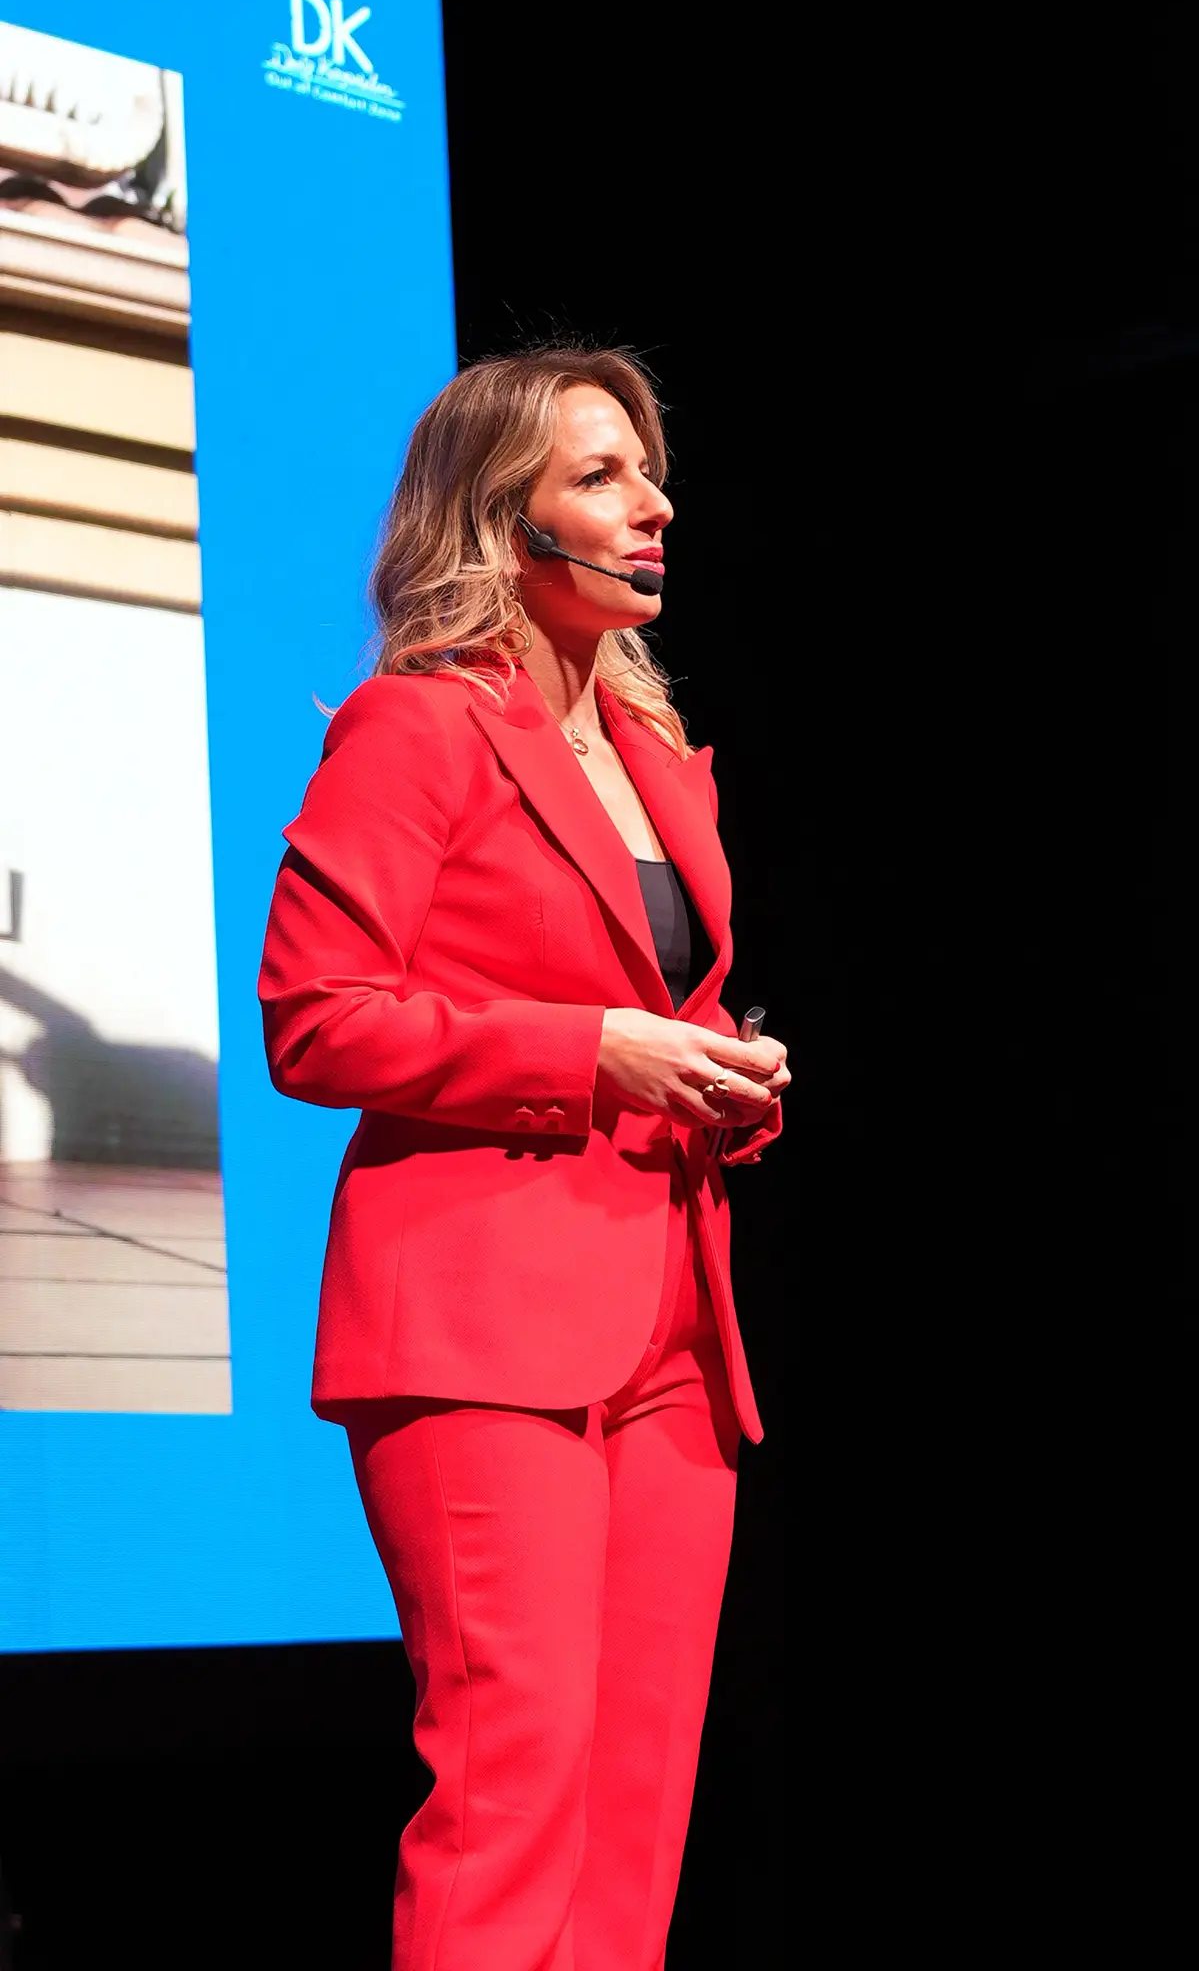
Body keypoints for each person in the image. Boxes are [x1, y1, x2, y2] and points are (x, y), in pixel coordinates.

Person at [258, 346, 791, 1969]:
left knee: (632, 1824)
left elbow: (645, 1001)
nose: (655, 507)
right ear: (504, 523)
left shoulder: (648, 750)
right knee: (512, 1798)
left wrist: (715, 1076)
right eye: (602, 478)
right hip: (484, 1333)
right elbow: (316, 1019)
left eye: (648, 471)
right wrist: (587, 1051)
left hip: (668, 1336)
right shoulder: (417, 728)